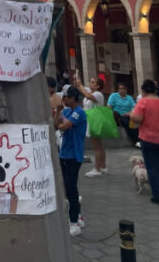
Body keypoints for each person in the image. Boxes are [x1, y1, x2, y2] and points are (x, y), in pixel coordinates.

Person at [55, 86, 87, 236]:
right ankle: (78, 216)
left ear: (73, 98)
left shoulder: (79, 112)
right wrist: (58, 112)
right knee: (68, 186)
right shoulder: (66, 111)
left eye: (65, 97)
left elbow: (63, 127)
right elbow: (56, 125)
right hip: (64, 154)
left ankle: (74, 222)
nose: (63, 100)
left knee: (71, 188)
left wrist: (60, 122)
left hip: (74, 155)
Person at [130, 79, 159, 205]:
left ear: (143, 91)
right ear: (155, 90)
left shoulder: (143, 102)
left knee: (152, 167)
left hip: (148, 139)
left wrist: (131, 115)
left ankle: (157, 196)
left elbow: (137, 118)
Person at [71, 72, 108, 176]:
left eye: (92, 82)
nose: (90, 83)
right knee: (99, 145)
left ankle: (97, 169)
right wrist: (77, 79)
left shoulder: (98, 94)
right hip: (91, 120)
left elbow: (86, 94)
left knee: (97, 147)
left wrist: (80, 85)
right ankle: (103, 166)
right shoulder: (91, 91)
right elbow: (80, 88)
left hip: (94, 120)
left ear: (98, 86)